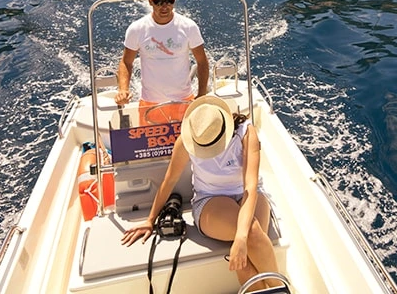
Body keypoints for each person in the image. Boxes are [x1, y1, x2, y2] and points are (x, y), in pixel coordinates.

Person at [120, 96, 280, 290]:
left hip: (247, 194)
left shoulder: (246, 133)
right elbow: (169, 181)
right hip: (210, 199)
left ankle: (279, 287)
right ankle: (280, 288)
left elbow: (250, 187)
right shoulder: (188, 139)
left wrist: (240, 239)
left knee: (249, 239)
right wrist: (150, 219)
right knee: (250, 240)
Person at [116, 0, 209, 125]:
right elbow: (126, 62)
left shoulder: (189, 27)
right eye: (159, 1)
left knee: (187, 146)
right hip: (150, 102)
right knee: (149, 146)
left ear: (174, 1)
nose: (164, 6)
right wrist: (123, 90)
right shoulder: (137, 29)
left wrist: (202, 94)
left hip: (184, 100)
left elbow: (202, 61)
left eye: (169, 1)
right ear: (150, 2)